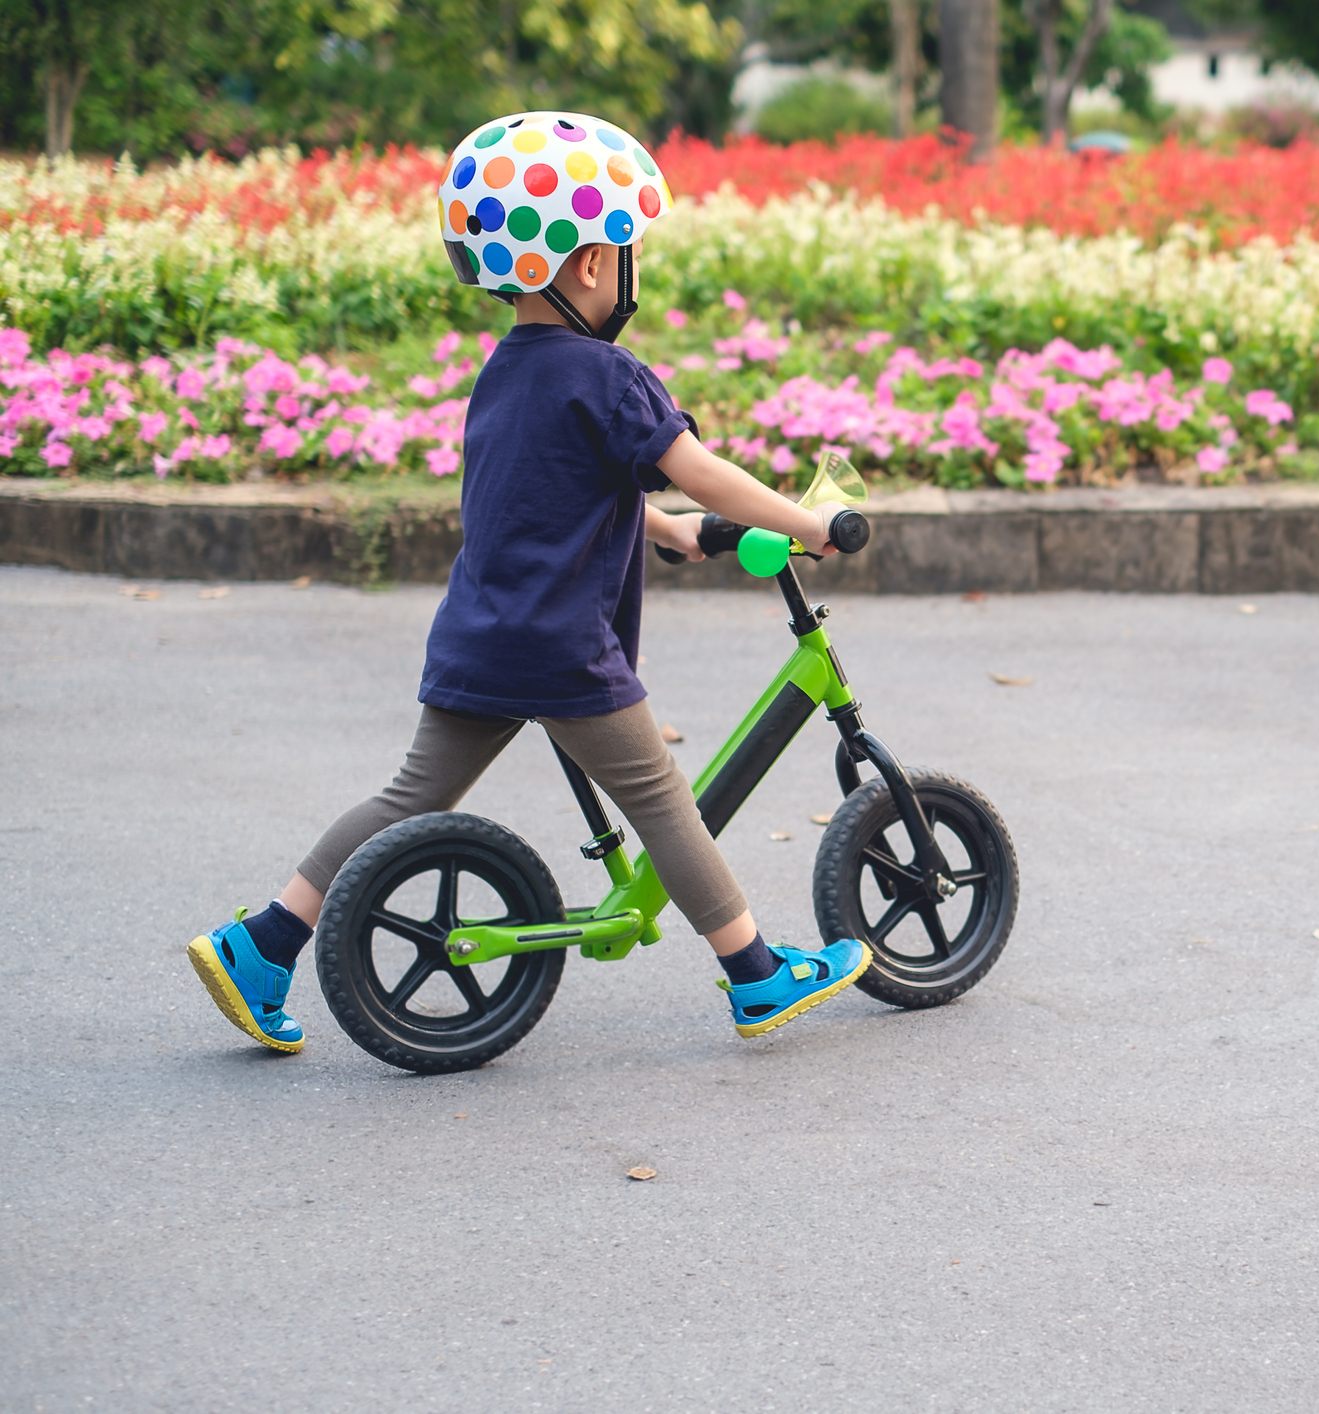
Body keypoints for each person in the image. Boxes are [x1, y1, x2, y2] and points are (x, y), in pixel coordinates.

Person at [186, 110, 868, 1055]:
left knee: (408, 798)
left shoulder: (505, 373)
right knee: (664, 801)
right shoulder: (610, 375)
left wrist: (671, 537)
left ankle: (263, 942)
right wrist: (808, 519)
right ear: (590, 265)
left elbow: (550, 498)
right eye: (627, 248)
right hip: (562, 647)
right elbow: (695, 465)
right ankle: (755, 974)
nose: (631, 267)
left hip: (481, 632)